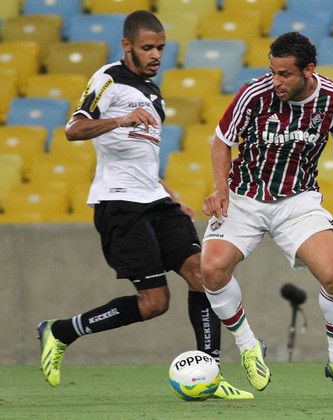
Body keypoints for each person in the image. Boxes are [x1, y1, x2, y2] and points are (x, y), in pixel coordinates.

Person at [36, 10, 252, 400]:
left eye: (161, 48)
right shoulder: (109, 78)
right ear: (126, 45)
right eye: (147, 48)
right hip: (119, 205)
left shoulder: (153, 91)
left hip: (155, 201)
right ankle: (60, 331)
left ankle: (212, 373)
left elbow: (141, 158)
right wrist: (119, 120)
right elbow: (74, 129)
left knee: (202, 276)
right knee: (154, 303)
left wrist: (169, 195)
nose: (155, 55)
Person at [200, 31, 333, 399]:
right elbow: (222, 140)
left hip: (297, 201)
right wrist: (220, 189)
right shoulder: (253, 95)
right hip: (244, 196)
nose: (276, 81)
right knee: (211, 269)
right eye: (272, 72)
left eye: (285, 74)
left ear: (308, 70)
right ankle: (249, 346)